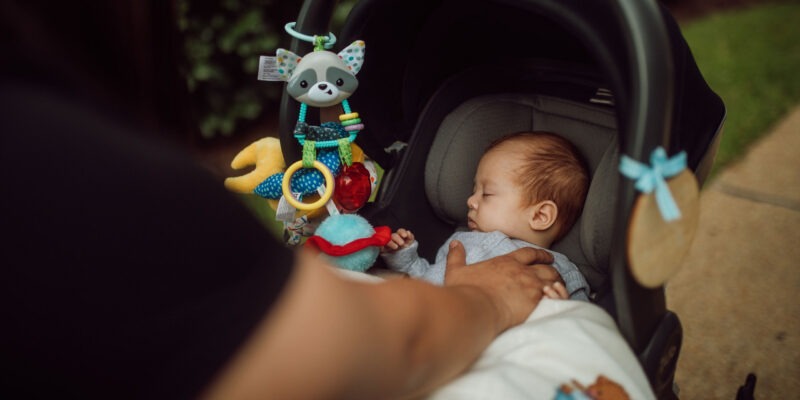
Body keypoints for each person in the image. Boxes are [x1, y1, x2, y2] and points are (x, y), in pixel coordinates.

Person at [0, 1, 563, 399]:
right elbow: (386, 344)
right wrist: (471, 292)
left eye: (485, 192)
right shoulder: (73, 171)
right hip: (449, 307)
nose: (469, 199)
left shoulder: (46, 161)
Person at [382, 132, 592, 301]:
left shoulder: (560, 271)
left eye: (487, 193)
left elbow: (581, 330)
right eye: (474, 190)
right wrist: (405, 258)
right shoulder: (460, 243)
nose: (470, 201)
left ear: (540, 215)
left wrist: (561, 312)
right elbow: (428, 280)